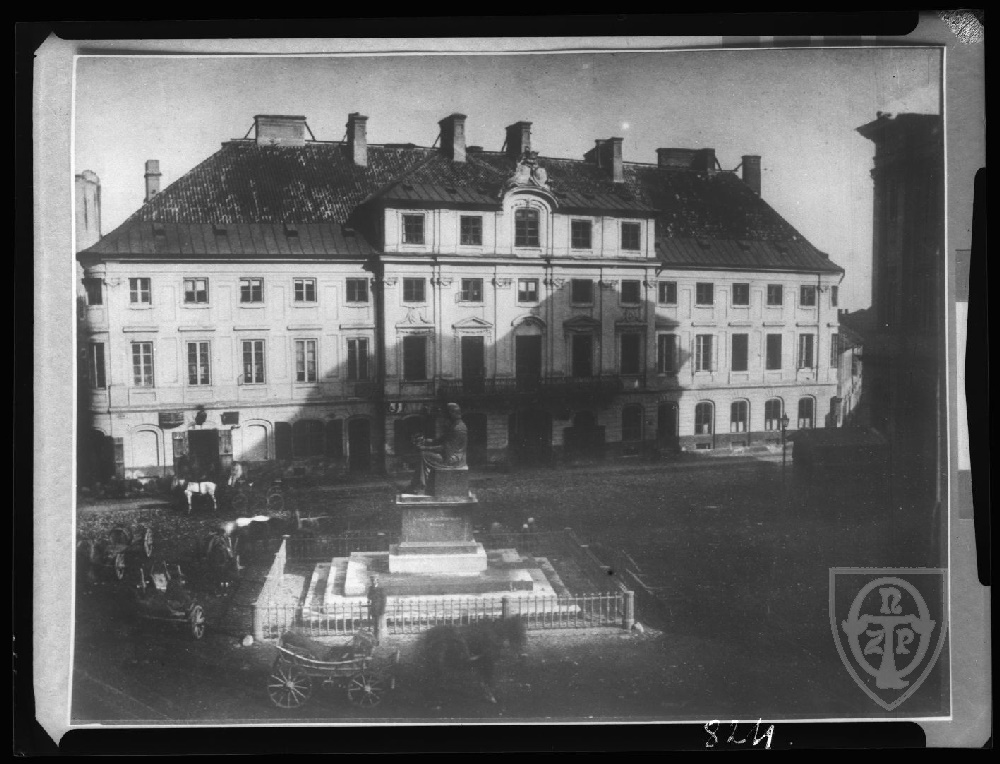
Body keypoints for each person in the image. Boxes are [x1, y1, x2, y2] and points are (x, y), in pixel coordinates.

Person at [410, 402, 467, 494]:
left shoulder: (457, 429)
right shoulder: (455, 426)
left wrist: (424, 448)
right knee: (424, 454)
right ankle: (417, 485)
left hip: (453, 460)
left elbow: (444, 449)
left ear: (451, 413)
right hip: (451, 455)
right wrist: (425, 440)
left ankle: (421, 487)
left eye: (445, 414)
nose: (444, 416)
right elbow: (440, 440)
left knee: (424, 455)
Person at [367, 575, 388, 645]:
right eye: (371, 580)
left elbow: (384, 601)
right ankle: (376, 640)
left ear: (377, 581)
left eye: (373, 580)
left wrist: (382, 610)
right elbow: (369, 596)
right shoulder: (371, 588)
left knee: (379, 627)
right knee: (375, 626)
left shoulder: (381, 589)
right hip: (373, 610)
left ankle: (379, 640)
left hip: (379, 610)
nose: (372, 582)